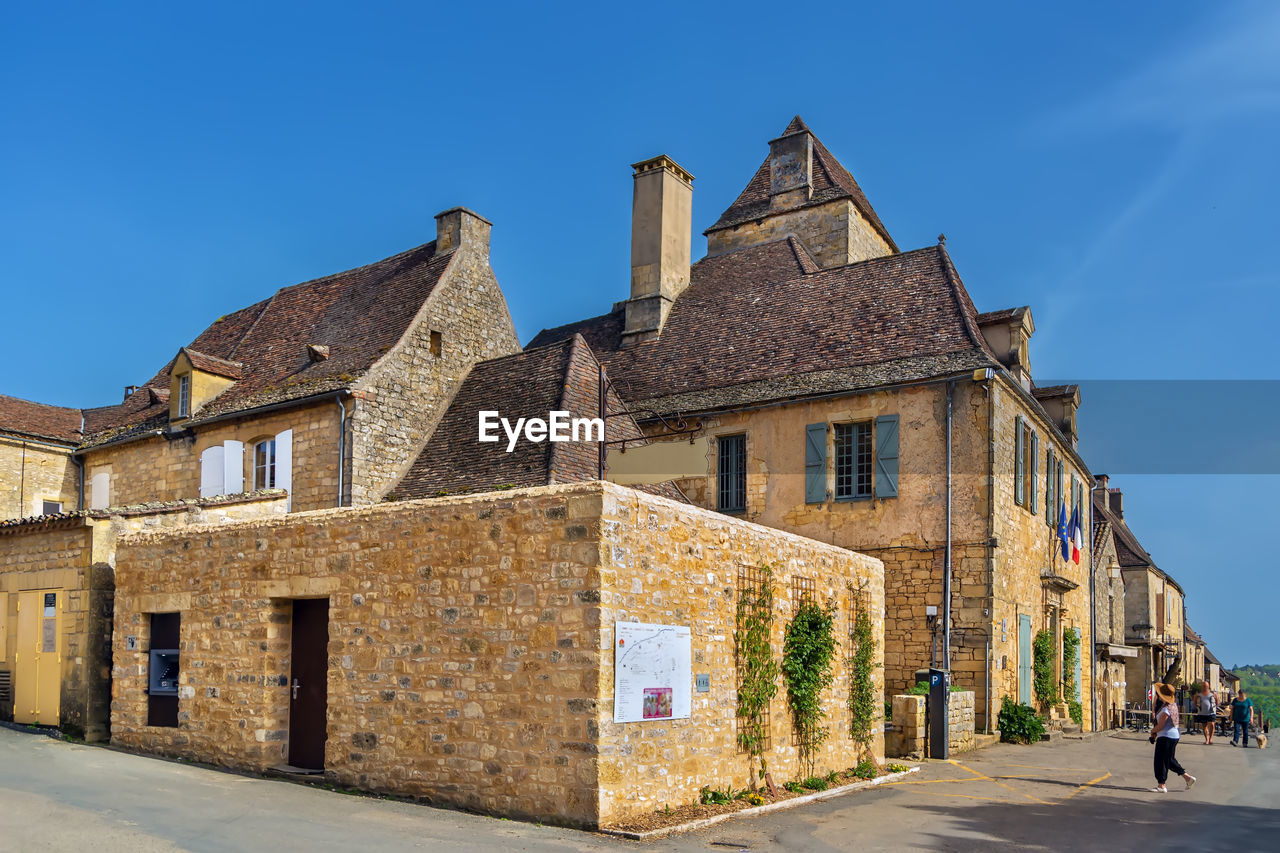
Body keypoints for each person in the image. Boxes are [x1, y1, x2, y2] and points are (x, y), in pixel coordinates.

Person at [1149, 682, 1196, 793]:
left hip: (1166, 737)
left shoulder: (1165, 709)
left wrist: (1152, 731)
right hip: (1173, 735)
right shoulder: (1172, 705)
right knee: (1169, 760)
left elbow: (1161, 725)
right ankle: (1187, 778)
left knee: (1160, 761)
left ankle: (1162, 785)